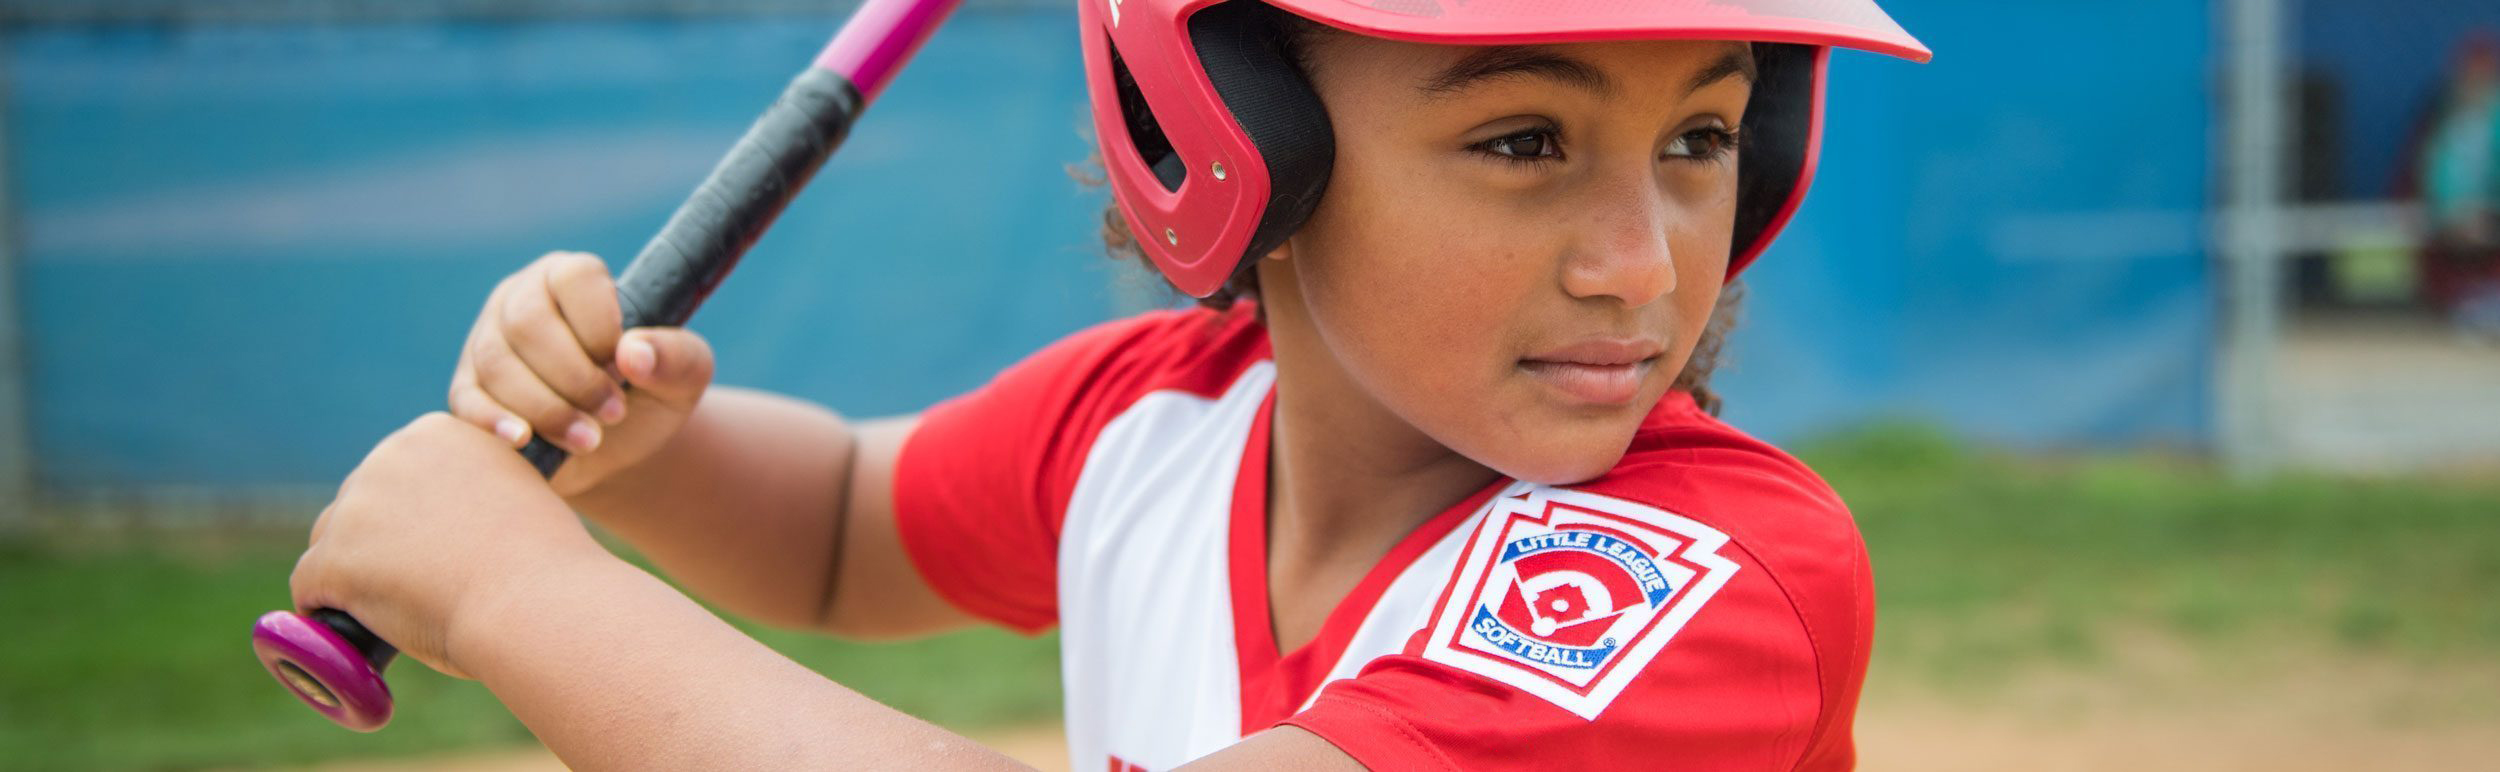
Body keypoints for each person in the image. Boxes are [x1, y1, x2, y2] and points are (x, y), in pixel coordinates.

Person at [286, 1, 1930, 768]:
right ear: (1237, 147)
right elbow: (853, 526)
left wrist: (512, 590)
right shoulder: (1162, 417)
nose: (1642, 261)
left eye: (1703, 138)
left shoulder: (1702, 578)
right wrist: (636, 445)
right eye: (1522, 141)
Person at [2418, 32, 2500, 340]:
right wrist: (2452, 212)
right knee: (2453, 231)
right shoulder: (2447, 117)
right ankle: (2473, 304)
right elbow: (2438, 177)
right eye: (2469, 73)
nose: (2474, 81)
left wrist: (2487, 211)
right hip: (2459, 215)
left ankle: (2489, 302)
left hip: (2492, 210)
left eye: (2483, 74)